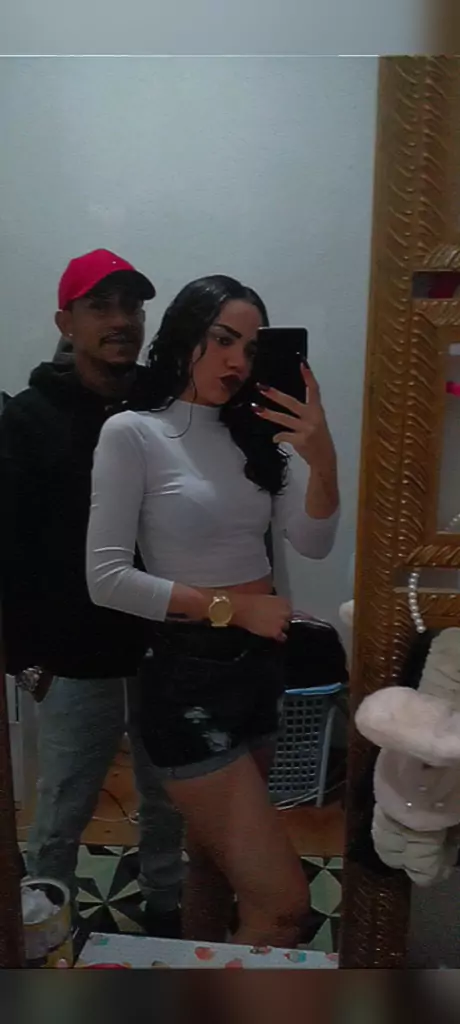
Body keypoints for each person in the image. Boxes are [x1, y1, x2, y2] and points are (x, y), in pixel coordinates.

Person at [86, 274, 340, 948]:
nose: (237, 361)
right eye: (223, 340)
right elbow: (106, 579)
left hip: (259, 670)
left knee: (215, 868)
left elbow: (313, 541)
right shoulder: (133, 433)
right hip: (189, 677)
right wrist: (235, 610)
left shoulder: (254, 438)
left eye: (252, 349)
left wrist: (323, 459)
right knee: (283, 904)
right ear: (183, 336)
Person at [0, 249, 183, 935]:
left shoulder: (170, 407)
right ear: (65, 322)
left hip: (166, 639)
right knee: (64, 801)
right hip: (74, 653)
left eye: (132, 305)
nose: (121, 320)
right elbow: (11, 544)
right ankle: (48, 921)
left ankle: (166, 907)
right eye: (100, 306)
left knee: (170, 793)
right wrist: (24, 656)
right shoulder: (28, 418)